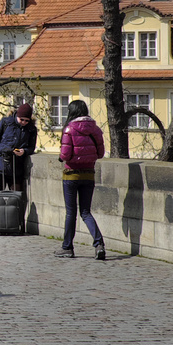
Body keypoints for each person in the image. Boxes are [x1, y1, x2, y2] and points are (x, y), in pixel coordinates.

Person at [56, 100, 107, 260]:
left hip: (71, 175)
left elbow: (65, 155)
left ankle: (67, 248)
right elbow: (100, 154)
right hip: (89, 174)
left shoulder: (69, 129)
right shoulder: (96, 130)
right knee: (86, 212)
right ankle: (99, 244)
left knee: (71, 212)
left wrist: (61, 157)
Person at [0, 102, 37, 205]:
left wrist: (24, 151)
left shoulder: (31, 129)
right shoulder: (6, 122)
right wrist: (4, 149)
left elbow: (31, 147)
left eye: (26, 120)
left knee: (18, 198)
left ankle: (17, 221)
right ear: (17, 116)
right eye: (21, 119)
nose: (24, 122)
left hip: (17, 167)